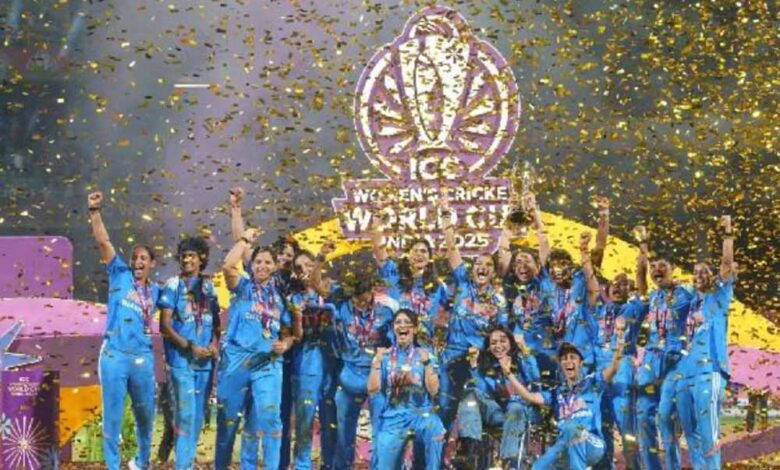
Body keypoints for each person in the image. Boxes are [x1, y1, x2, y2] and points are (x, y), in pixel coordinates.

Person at [214, 228, 301, 470]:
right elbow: (228, 266)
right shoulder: (242, 286)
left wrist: (285, 344)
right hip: (236, 361)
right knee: (228, 421)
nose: (262, 266)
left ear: (274, 266)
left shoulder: (281, 296)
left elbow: (289, 333)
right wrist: (244, 240)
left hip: (268, 363)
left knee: (271, 419)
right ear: (251, 266)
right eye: (258, 262)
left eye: (267, 262)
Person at [87, 191, 159, 470]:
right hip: (114, 355)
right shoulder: (119, 274)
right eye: (135, 257)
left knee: (146, 416)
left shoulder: (157, 291)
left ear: (152, 264)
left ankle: (141, 463)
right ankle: (113, 466)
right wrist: (95, 212)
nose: (138, 261)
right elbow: (103, 241)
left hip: (143, 358)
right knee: (113, 417)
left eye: (143, 258)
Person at [664, 216, 736, 469]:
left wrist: (727, 233)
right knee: (690, 431)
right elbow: (666, 287)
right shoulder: (690, 302)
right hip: (686, 373)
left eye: (704, 271)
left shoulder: (720, 295)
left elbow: (726, 264)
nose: (699, 275)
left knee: (708, 432)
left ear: (713, 276)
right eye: (695, 273)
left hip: (710, 370)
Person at [438, 189, 508, 429]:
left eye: (488, 265)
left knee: (474, 408)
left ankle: (473, 448)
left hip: (478, 362)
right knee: (445, 409)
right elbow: (451, 247)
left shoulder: (499, 303)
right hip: (451, 357)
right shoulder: (463, 284)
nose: (482, 267)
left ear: (493, 272)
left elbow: (502, 337)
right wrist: (445, 212)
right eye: (478, 263)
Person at [511, 335, 627, 470]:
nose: (568, 361)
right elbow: (529, 396)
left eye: (573, 357)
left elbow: (613, 368)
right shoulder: (556, 393)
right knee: (538, 467)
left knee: (572, 428)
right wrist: (509, 374)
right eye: (564, 358)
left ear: (581, 363)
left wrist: (620, 344)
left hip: (592, 443)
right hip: (565, 445)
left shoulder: (591, 383)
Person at [634, 226, 694, 470]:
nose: (656, 270)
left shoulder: (686, 293)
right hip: (651, 360)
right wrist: (643, 246)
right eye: (653, 266)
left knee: (665, 417)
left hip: (674, 362)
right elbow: (639, 277)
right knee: (643, 417)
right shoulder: (653, 296)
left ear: (674, 268)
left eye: (662, 266)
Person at [158, 236, 220, 470]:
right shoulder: (173, 285)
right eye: (183, 256)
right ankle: (183, 466)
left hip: (204, 364)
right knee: (185, 415)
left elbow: (216, 323)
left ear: (201, 258)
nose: (186, 260)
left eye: (191, 255)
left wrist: (214, 344)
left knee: (198, 418)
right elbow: (165, 326)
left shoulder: (209, 287)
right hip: (181, 362)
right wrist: (189, 346)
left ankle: (187, 462)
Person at [329, 273, 394, 469]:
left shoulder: (386, 313)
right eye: (356, 297)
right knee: (343, 430)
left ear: (372, 291)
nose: (360, 301)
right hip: (349, 375)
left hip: (375, 376)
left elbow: (394, 343)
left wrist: (385, 355)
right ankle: (342, 467)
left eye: (364, 295)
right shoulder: (342, 308)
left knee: (380, 428)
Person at [367, 309, 445, 470]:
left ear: (414, 329)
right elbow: (373, 389)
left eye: (407, 322)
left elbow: (434, 391)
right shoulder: (385, 356)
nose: (402, 325)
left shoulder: (426, 355)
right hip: (393, 416)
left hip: (421, 414)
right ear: (393, 329)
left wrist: (426, 363)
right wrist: (376, 362)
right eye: (398, 322)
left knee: (436, 429)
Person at [456, 326, 540, 469]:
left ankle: (508, 462)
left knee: (515, 407)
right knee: (470, 393)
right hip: (498, 414)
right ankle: (469, 446)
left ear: (511, 343)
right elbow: (482, 392)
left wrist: (524, 349)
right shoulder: (488, 366)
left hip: (521, 412)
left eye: (503, 341)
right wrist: (474, 366)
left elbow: (535, 379)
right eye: (493, 343)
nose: (498, 346)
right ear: (489, 348)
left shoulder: (521, 361)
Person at [289, 244, 339, 470]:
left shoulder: (331, 290)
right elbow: (294, 335)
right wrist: (298, 316)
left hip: (333, 364)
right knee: (305, 420)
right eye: (299, 268)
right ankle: (302, 465)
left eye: (308, 265)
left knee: (331, 420)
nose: (304, 271)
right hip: (306, 364)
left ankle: (330, 465)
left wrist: (320, 259)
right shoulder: (293, 299)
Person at [593, 272, 645, 470]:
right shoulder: (600, 310)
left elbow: (643, 290)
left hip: (622, 367)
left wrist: (641, 266)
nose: (617, 287)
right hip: (600, 369)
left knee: (626, 426)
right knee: (600, 426)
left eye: (623, 284)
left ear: (630, 290)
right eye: (614, 284)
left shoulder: (633, 308)